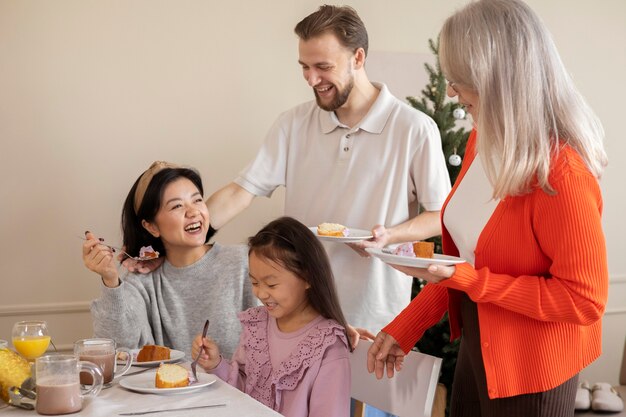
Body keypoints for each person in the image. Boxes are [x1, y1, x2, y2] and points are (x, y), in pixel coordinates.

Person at [366, 1, 609, 416]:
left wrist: (476, 283)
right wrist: (407, 325)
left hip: (535, 370)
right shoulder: (482, 140)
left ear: (501, 80)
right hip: (482, 351)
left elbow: (584, 300)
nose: (450, 93)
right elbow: (464, 265)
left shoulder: (561, 173)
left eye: (460, 81)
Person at [205, 4, 451, 336]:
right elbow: (240, 192)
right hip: (300, 314)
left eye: (323, 67)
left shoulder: (413, 128)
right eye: (304, 67)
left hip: (373, 317)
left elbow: (439, 215)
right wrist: (173, 239)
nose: (311, 79)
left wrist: (390, 236)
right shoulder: (293, 123)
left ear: (358, 58)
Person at [82, 161, 257, 359]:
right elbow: (116, 346)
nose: (193, 212)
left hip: (238, 390)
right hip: (165, 389)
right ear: (151, 227)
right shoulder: (141, 280)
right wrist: (110, 280)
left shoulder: (244, 262)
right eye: (177, 206)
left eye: (197, 200)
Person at [192, 216, 351, 417]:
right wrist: (216, 364)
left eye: (271, 284)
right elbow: (243, 392)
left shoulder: (327, 345)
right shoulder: (256, 325)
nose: (261, 293)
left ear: (308, 277)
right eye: (255, 282)